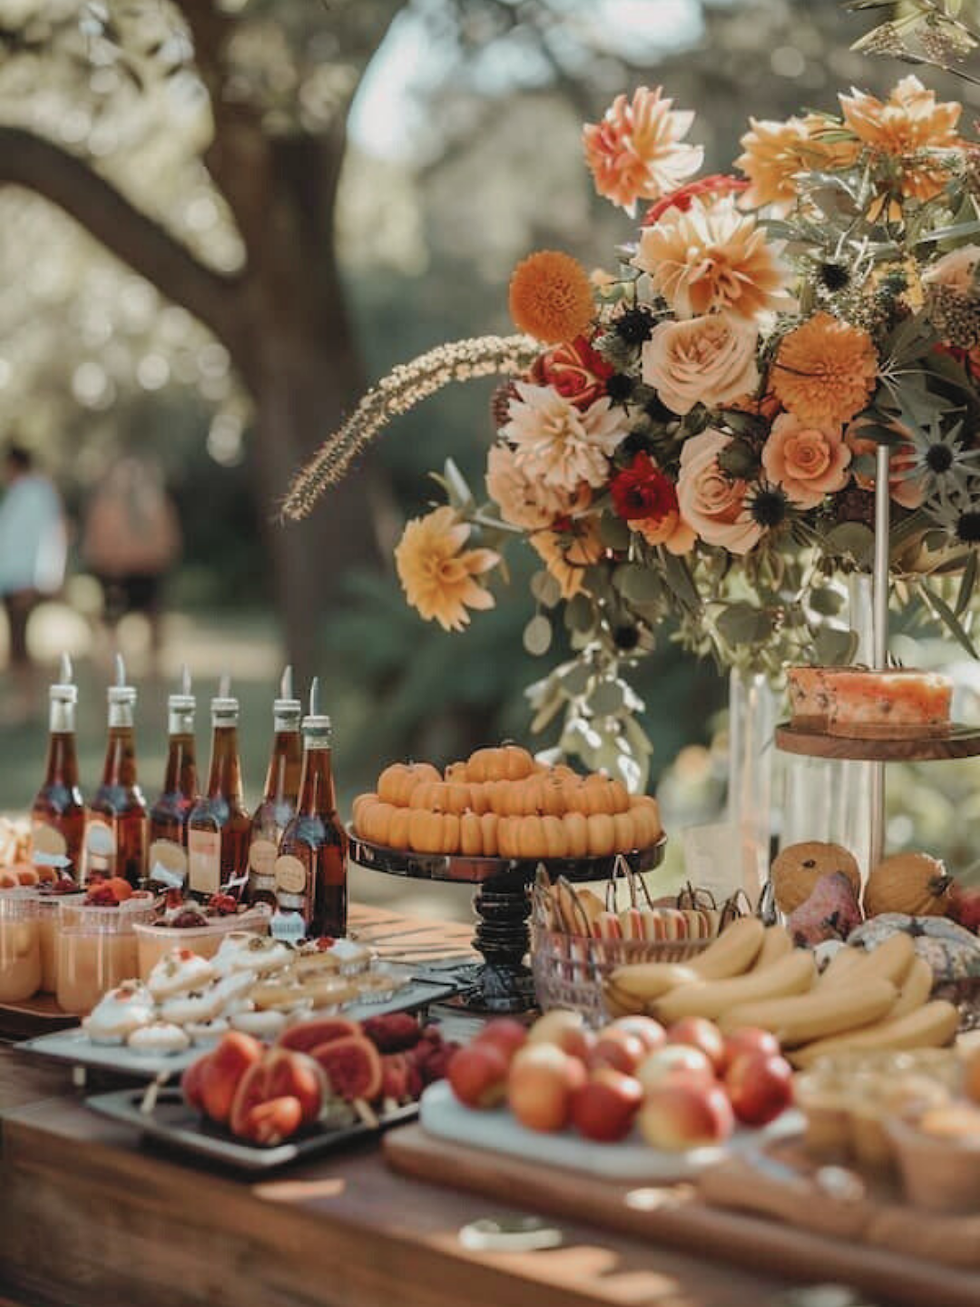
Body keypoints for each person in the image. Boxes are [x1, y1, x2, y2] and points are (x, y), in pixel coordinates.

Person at [82, 456, 182, 672]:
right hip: (115, 573)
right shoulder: (106, 505)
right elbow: (95, 542)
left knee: (154, 626)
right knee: (111, 626)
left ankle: (154, 673)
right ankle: (111, 670)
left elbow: (169, 541)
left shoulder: (156, 504)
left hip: (148, 571)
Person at [0, 444, 67, 717]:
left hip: (23, 581)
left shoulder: (36, 493)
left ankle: (29, 704)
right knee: (16, 644)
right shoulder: (19, 493)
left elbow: (50, 537)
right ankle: (24, 702)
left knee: (21, 643)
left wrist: (42, 577)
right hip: (11, 579)